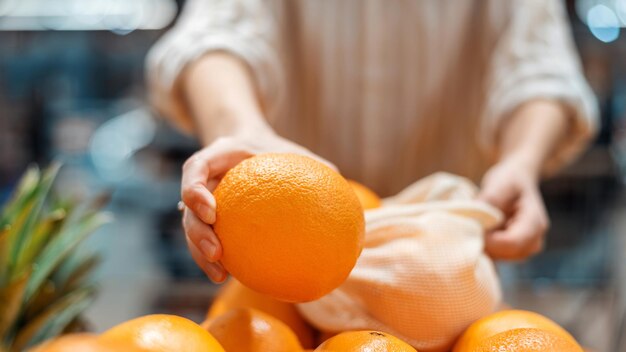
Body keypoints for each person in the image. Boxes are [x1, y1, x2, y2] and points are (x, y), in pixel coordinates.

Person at [147, 0, 598, 283]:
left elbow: (540, 67)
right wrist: (239, 129)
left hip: (447, 274)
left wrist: (520, 161)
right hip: (285, 273)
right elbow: (214, 34)